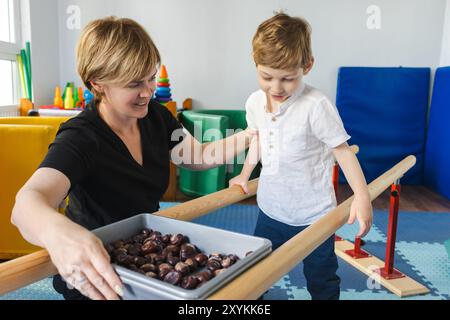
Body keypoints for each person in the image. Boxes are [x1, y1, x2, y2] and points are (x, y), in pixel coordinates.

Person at [11, 17, 253, 300]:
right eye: (134, 84)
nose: (148, 91)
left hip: (148, 252)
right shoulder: (82, 137)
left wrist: (252, 133)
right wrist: (61, 236)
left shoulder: (157, 117)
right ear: (97, 83)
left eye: (151, 77)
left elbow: (197, 155)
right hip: (97, 270)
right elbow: (27, 204)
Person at [229, 13, 373, 300]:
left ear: (307, 66)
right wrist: (244, 175)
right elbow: (258, 139)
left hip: (314, 215)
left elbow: (342, 152)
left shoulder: (316, 105)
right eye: (266, 76)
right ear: (255, 65)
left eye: (287, 78)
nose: (276, 88)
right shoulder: (255, 102)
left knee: (321, 278)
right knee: (256, 275)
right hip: (271, 209)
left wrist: (362, 196)